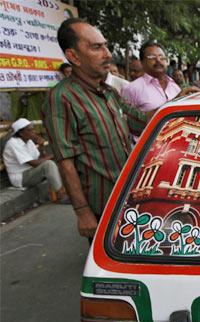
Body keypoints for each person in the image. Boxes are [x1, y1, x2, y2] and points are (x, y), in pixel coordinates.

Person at [42, 18, 149, 239]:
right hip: (102, 209)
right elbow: (65, 160)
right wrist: (82, 213)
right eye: (96, 47)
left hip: (128, 197)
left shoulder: (108, 92)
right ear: (73, 57)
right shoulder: (62, 98)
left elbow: (141, 121)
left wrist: (177, 103)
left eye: (106, 46)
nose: (107, 54)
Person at [2, 118, 68, 202]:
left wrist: (41, 147)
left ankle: (63, 191)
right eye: (30, 130)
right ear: (21, 133)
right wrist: (51, 156)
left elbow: (39, 158)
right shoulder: (13, 144)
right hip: (21, 177)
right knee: (49, 164)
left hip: (30, 171)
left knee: (55, 162)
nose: (33, 132)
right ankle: (61, 196)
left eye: (33, 130)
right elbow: (34, 163)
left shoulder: (28, 141)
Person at [122, 41, 195, 111]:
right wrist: (175, 101)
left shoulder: (175, 87)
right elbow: (127, 120)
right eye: (152, 57)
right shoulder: (132, 89)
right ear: (142, 62)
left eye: (161, 57)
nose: (158, 60)